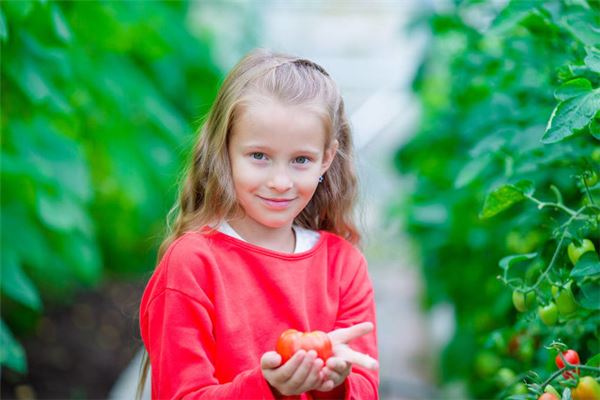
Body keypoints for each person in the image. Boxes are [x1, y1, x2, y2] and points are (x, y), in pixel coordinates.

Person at [138, 48, 379, 399]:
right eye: (259, 156)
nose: (280, 181)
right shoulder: (192, 264)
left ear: (326, 159)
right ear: (225, 150)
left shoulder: (344, 266)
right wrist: (267, 387)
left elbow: (365, 387)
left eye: (301, 159)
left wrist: (332, 383)